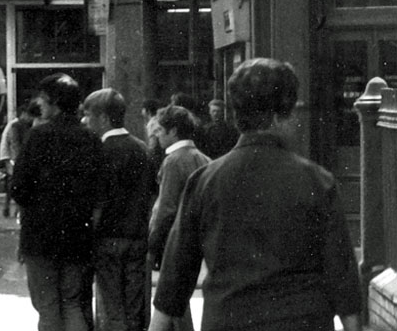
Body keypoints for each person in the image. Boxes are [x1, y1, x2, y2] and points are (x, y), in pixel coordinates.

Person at [150, 59, 361, 331]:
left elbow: (175, 276)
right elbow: (341, 273)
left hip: (228, 319)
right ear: (278, 117)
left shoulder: (204, 182)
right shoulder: (317, 182)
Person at [11, 73, 104, 331]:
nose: (40, 104)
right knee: (73, 303)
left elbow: (18, 188)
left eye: (43, 99)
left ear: (53, 101)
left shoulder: (38, 136)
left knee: (48, 306)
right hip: (78, 236)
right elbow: (99, 189)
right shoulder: (91, 138)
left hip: (40, 237)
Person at [82, 88, 157, 331]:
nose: (85, 120)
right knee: (134, 305)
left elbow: (98, 202)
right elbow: (152, 195)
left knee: (111, 306)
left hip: (108, 238)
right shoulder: (142, 148)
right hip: (138, 237)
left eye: (88, 115)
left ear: (103, 118)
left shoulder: (98, 151)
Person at [148, 105, 209, 331]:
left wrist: (152, 240)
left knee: (171, 301)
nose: (156, 135)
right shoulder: (202, 158)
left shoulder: (173, 161)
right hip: (198, 237)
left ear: (173, 131)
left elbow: (165, 208)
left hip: (174, 240)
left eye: (160, 130)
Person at [0, 101, 40, 218]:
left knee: (16, 185)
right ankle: (13, 208)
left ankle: (14, 209)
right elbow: (14, 144)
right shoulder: (15, 126)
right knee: (15, 184)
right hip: (17, 159)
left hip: (20, 159)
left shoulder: (28, 126)